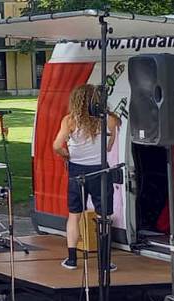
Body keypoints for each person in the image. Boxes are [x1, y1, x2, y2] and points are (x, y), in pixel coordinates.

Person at [54, 84, 122, 271]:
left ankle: (72, 259)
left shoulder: (70, 120)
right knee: (104, 217)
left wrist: (67, 155)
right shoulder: (109, 119)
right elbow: (108, 147)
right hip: (100, 170)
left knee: (74, 216)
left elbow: (57, 145)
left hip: (77, 170)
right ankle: (105, 261)